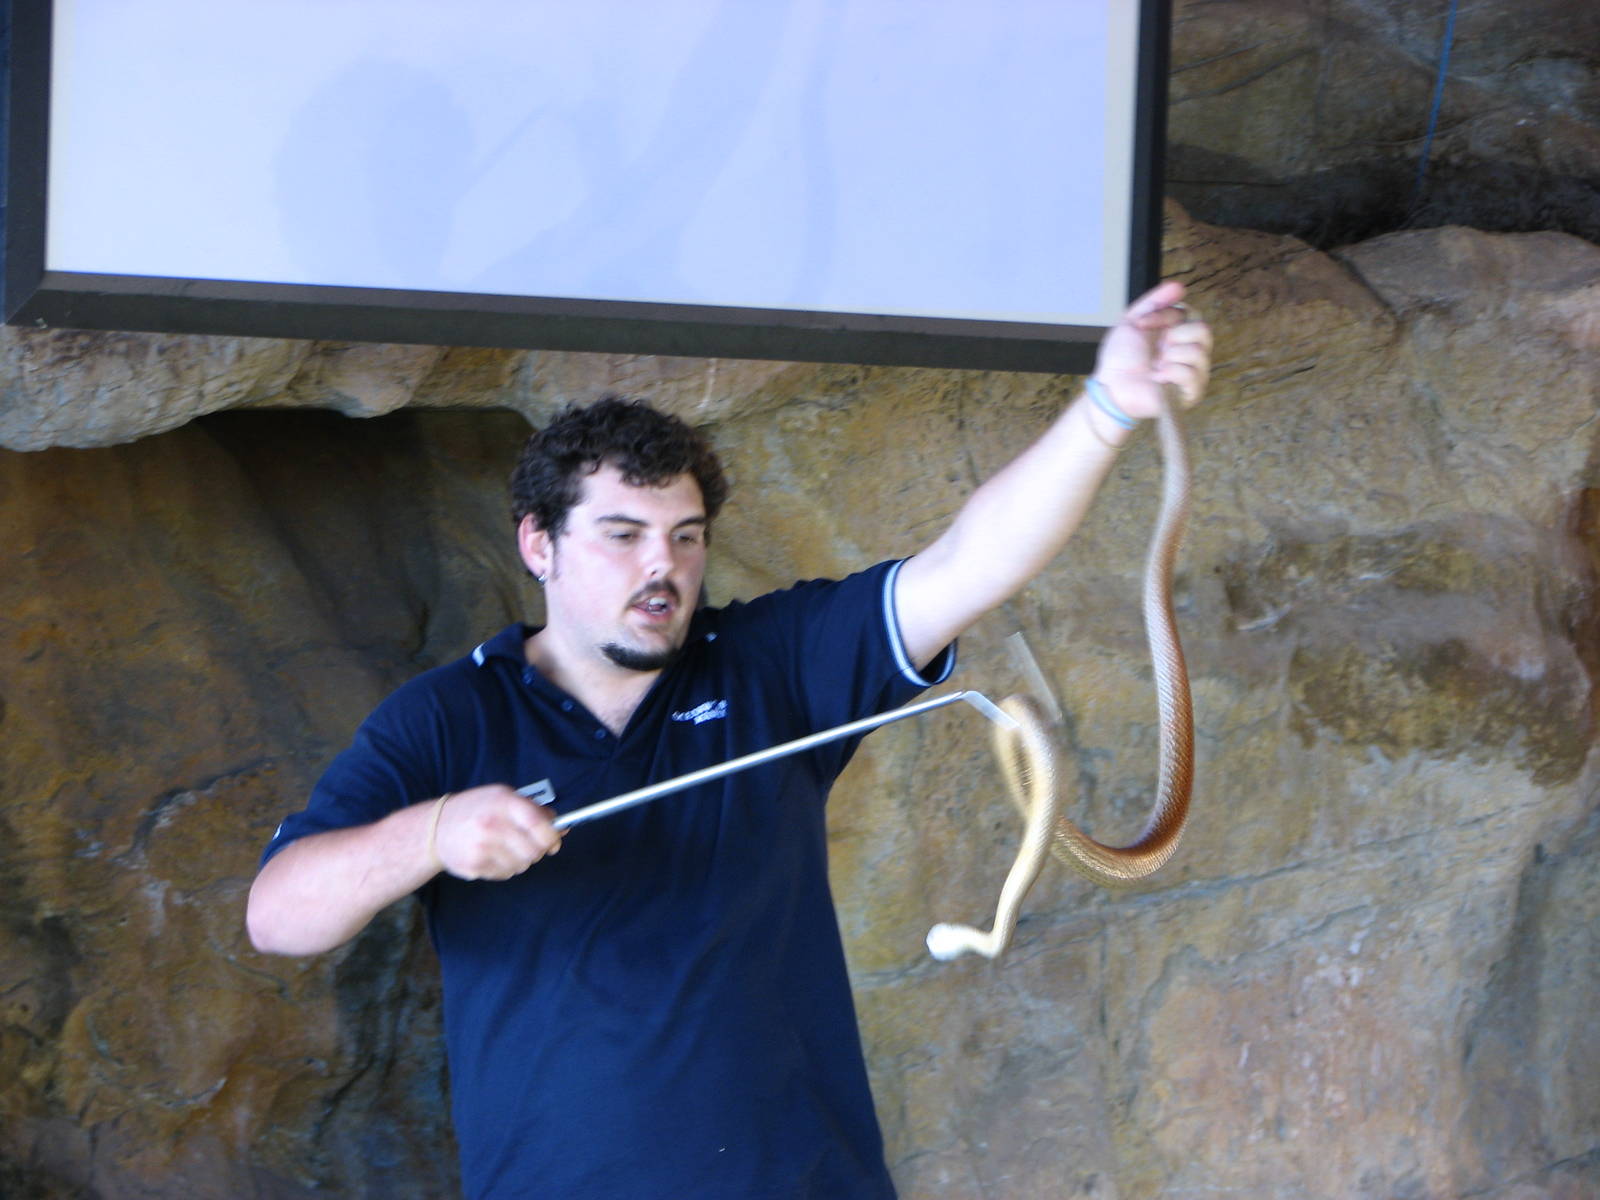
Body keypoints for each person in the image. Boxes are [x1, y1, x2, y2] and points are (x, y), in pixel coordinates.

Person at [247, 282, 1212, 1199]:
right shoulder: (446, 716)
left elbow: (969, 562)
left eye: (686, 535)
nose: (662, 566)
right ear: (538, 544)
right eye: (622, 534)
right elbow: (278, 916)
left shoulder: (768, 663)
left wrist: (1105, 411)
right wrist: (432, 834)